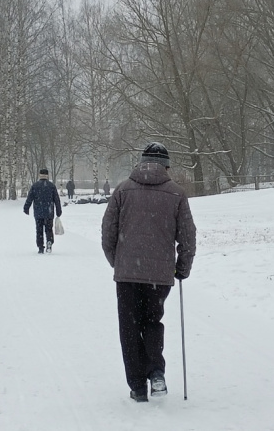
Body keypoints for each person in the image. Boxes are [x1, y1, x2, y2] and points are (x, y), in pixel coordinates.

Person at [101, 142, 197, 403]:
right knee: (152, 321)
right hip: (159, 275)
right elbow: (187, 236)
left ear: (140, 163)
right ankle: (156, 371)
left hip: (127, 274)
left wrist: (117, 262)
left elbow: (108, 231)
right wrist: (182, 268)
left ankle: (137, 387)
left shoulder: (122, 190)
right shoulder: (177, 194)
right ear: (167, 166)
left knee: (129, 328)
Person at [24, 168, 62, 254]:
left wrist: (26, 208)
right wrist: (59, 211)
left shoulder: (35, 186)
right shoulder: (51, 186)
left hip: (38, 212)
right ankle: (49, 242)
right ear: (47, 175)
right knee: (49, 229)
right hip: (49, 212)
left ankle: (40, 247)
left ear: (39, 175)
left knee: (39, 230)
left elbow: (30, 198)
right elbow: (56, 199)